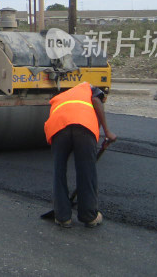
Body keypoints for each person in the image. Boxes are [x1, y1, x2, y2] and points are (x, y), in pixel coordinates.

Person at [44, 81, 117, 228]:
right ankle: (89, 216)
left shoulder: (64, 96)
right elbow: (97, 101)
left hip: (57, 127)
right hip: (83, 127)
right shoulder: (90, 88)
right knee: (86, 171)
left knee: (59, 171)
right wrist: (107, 132)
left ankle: (62, 216)